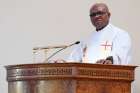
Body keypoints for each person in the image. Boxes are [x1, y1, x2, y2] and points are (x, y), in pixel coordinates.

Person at [67, 3, 132, 65]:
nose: (96, 16)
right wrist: (63, 63)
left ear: (108, 15)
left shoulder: (120, 34)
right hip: (86, 75)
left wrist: (110, 61)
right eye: (93, 15)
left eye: (100, 13)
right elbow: (73, 59)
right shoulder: (86, 40)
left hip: (109, 74)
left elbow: (121, 56)